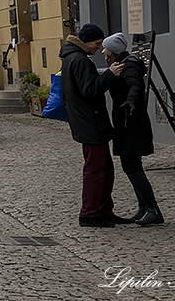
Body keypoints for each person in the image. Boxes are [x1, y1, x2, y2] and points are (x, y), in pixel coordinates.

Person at [60, 23, 121, 227]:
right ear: (86, 41)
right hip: (89, 121)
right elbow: (90, 89)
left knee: (104, 168)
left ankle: (103, 209)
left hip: (86, 120)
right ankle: (90, 213)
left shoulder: (72, 58)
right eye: (96, 43)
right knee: (95, 170)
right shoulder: (79, 60)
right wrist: (110, 74)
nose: (98, 48)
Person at [103, 32, 164, 226]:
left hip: (132, 124)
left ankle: (153, 209)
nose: (103, 51)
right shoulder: (122, 64)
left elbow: (135, 86)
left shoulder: (128, 66)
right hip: (127, 122)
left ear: (113, 51)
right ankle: (144, 208)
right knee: (133, 166)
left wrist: (130, 101)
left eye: (106, 48)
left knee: (132, 167)